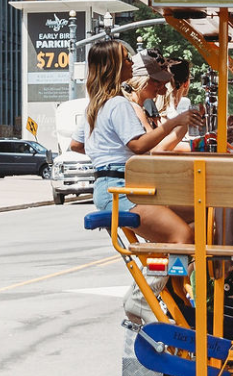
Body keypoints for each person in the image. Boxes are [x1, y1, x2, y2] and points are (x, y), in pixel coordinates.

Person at [84, 42, 198, 246]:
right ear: (114, 65)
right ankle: (169, 276)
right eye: (127, 58)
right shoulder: (118, 104)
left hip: (117, 186)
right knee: (182, 235)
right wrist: (175, 122)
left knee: (202, 215)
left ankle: (174, 272)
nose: (131, 62)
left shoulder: (97, 105)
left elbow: (79, 145)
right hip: (120, 189)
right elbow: (137, 145)